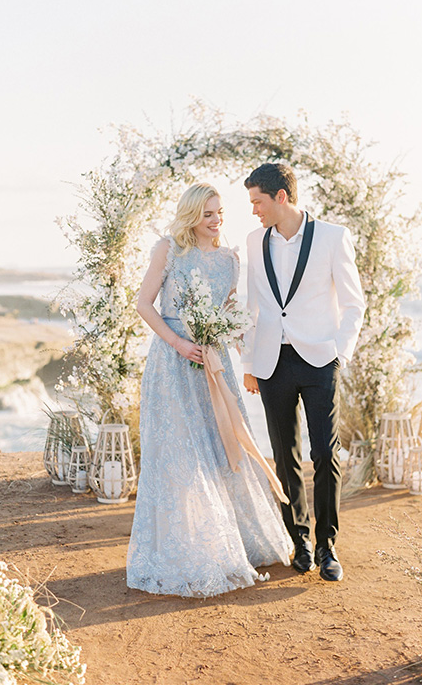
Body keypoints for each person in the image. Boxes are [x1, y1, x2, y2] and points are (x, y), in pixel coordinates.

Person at [127, 183, 292, 598]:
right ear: (191, 216)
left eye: (219, 213)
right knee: (179, 453)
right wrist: (181, 343)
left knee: (221, 447)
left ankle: (226, 542)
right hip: (172, 362)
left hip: (214, 364)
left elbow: (231, 313)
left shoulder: (230, 260)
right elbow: (144, 303)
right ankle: (186, 549)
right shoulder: (167, 250)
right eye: (208, 215)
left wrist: (236, 344)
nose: (216, 221)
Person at [242, 163, 365, 582]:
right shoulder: (254, 241)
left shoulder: (333, 237)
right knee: (284, 456)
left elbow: (354, 304)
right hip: (272, 362)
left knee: (325, 454)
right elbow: (252, 309)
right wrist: (249, 365)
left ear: (281, 197)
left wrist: (339, 355)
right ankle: (301, 542)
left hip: (319, 360)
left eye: (257, 201)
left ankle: (329, 546)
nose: (253, 210)